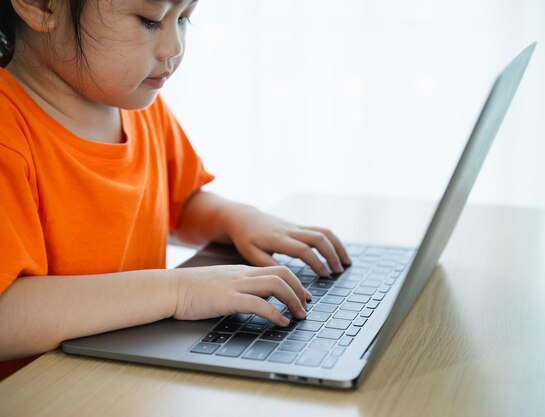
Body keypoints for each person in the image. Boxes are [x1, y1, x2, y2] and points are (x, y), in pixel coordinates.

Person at [0, 0, 351, 379]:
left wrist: (240, 220)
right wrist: (178, 291)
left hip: (127, 374)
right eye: (150, 21)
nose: (175, 47)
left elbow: (181, 204)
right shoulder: (9, 134)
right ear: (40, 6)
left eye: (184, 18)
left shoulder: (137, 104)